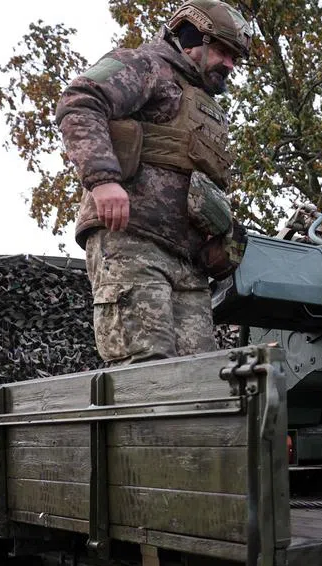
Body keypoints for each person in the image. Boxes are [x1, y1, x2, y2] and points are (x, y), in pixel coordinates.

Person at [56, 0, 252, 365]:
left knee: (201, 381)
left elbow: (197, 181)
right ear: (192, 39)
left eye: (235, 57)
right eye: (224, 51)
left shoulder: (206, 106)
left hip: (186, 262)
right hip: (132, 242)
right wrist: (103, 180)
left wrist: (219, 238)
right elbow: (80, 101)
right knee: (147, 373)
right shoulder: (145, 65)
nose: (230, 64)